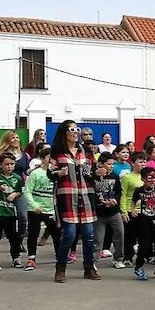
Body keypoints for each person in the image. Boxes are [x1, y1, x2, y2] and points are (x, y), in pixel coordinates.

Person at [48, 120, 100, 283]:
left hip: (85, 195)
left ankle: (89, 267)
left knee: (88, 235)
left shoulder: (84, 150)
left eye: (77, 129)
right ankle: (60, 267)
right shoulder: (57, 151)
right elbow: (50, 173)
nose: (75, 132)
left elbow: (89, 172)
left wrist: (97, 172)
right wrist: (58, 173)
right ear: (64, 132)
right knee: (69, 234)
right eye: (72, 129)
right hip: (67, 196)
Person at [0, 152, 24, 271]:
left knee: (13, 237)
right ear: (0, 165)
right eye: (6, 164)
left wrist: (14, 195)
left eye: (12, 164)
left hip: (10, 212)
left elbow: (19, 191)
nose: (9, 166)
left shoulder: (17, 178)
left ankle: (16, 257)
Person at [23, 147, 60, 271]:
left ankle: (59, 257)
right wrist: (34, 206)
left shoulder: (57, 174)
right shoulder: (35, 173)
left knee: (56, 234)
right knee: (33, 234)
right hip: (35, 209)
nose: (52, 160)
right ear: (43, 159)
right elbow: (27, 192)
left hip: (51, 210)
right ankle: (31, 258)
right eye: (49, 157)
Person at [131, 167, 155, 280]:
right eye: (149, 178)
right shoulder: (139, 190)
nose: (152, 180)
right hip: (144, 220)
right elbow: (133, 201)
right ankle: (139, 267)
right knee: (144, 244)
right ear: (143, 179)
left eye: (154, 177)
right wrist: (132, 210)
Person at [92, 152, 126, 269]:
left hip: (114, 212)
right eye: (109, 164)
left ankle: (118, 258)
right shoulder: (94, 176)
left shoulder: (115, 176)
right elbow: (91, 192)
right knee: (98, 238)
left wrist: (115, 200)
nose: (111, 166)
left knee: (120, 234)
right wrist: (100, 200)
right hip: (99, 213)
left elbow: (119, 191)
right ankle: (93, 261)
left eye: (112, 164)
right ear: (101, 164)